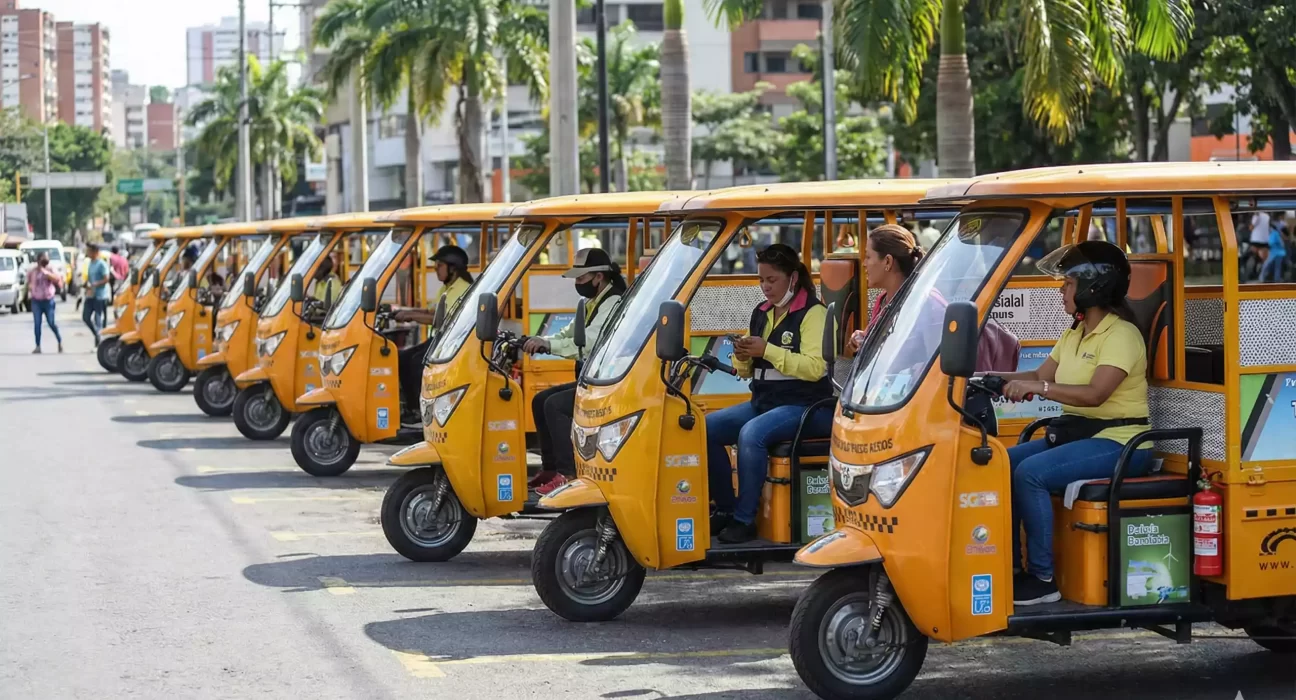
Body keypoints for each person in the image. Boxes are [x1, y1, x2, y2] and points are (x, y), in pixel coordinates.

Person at [982, 241, 1151, 606]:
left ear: (1093, 287)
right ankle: (1008, 567)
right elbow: (1039, 374)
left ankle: (1042, 578)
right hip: (1083, 434)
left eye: (1068, 284)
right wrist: (985, 377)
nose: (1062, 290)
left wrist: (1038, 387)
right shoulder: (1074, 332)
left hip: (1121, 442)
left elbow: (1095, 395)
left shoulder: (1121, 335)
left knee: (1029, 473)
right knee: (1002, 463)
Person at [706, 244, 835, 544]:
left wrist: (768, 350)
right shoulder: (761, 313)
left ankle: (744, 520)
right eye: (761, 280)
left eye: (772, 280)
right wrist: (742, 355)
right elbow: (749, 371)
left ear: (792, 278)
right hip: (765, 401)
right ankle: (726, 509)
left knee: (752, 434)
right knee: (707, 429)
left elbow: (816, 368)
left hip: (807, 406)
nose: (765, 287)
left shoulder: (813, 314)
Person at [523, 247, 627, 495]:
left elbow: (587, 342)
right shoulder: (592, 302)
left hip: (608, 384)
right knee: (540, 400)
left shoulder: (613, 303)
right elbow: (569, 333)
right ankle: (550, 468)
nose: (577, 283)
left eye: (581, 278)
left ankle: (567, 473)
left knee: (555, 405)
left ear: (598, 277)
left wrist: (549, 345)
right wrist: (540, 339)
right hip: (591, 380)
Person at [846, 224, 1019, 372]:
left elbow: (938, 367)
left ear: (888, 262)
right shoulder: (884, 300)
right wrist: (865, 339)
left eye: (868, 257)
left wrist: (906, 372)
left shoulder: (928, 304)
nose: (864, 264)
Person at [394, 246, 474, 424]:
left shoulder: (461, 288)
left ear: (452, 267)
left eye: (439, 266)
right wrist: (405, 311)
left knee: (416, 363)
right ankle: (409, 407)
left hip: (450, 343)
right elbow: (432, 310)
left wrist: (411, 316)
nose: (435, 270)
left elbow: (442, 319)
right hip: (439, 340)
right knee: (402, 358)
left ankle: (420, 411)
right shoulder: (447, 288)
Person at [28, 252, 64, 354]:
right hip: (36, 300)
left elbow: (57, 279)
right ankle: (38, 345)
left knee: (51, 322)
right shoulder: (33, 271)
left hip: (48, 300)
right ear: (38, 260)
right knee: (37, 324)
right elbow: (29, 282)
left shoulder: (50, 268)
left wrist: (46, 273)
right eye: (43, 259)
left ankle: (59, 341)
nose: (46, 261)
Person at [83, 243, 112, 347]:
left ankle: (98, 341)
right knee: (86, 317)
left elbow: (106, 279)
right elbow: (90, 278)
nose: (88, 253)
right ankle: (97, 334)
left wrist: (96, 284)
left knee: (98, 318)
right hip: (91, 294)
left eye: (89, 251)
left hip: (100, 295)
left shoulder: (101, 264)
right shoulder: (90, 263)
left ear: (95, 252)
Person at [1259, 212, 1287, 283]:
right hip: (1279, 252)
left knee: (1267, 265)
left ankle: (1262, 278)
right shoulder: (1276, 233)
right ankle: (1276, 279)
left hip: (1275, 252)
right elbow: (1281, 244)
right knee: (1277, 267)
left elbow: (1270, 243)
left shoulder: (1274, 233)